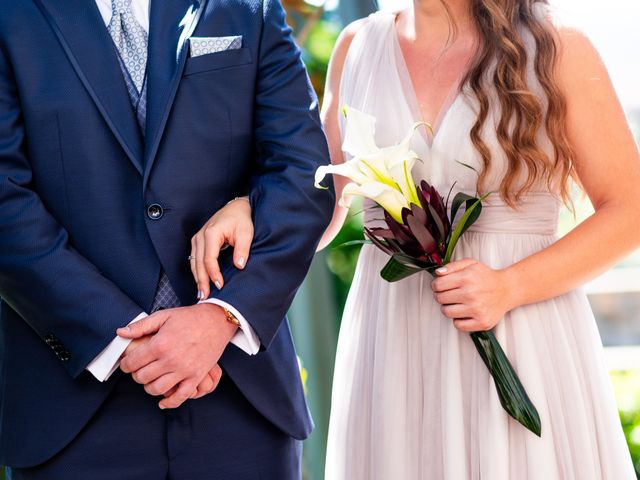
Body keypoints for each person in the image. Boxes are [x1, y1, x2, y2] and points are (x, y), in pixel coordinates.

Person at [198, 0, 640, 478]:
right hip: (393, 345)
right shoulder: (358, 46)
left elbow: (630, 211)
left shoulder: (555, 46)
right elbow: (319, 201)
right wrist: (250, 209)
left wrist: (509, 286)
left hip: (522, 335)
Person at [0, 0, 334, 478]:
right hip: (73, 410)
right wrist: (124, 341)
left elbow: (306, 175)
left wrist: (221, 316)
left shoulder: (247, 8)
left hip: (239, 394)